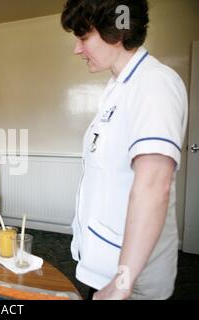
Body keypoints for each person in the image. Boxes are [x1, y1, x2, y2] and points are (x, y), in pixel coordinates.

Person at [61, 0, 188, 299]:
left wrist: (122, 281)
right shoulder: (118, 89)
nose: (77, 49)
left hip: (130, 278)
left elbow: (154, 184)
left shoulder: (154, 83)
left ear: (115, 32)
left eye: (83, 37)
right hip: (103, 263)